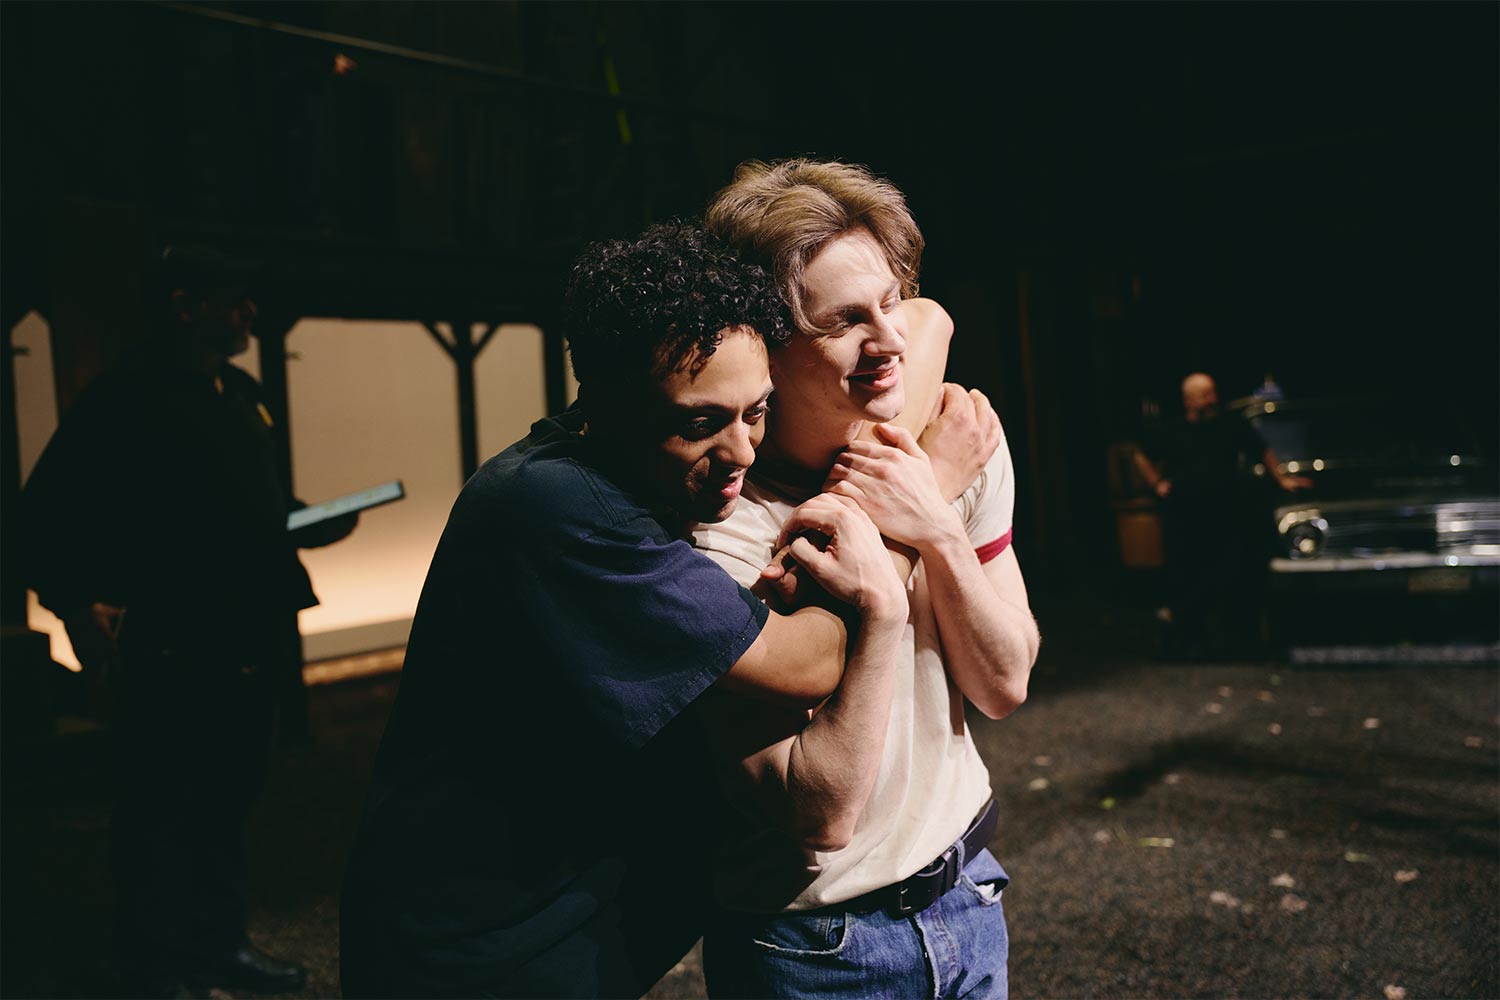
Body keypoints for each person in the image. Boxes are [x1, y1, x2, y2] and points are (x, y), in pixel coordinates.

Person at [337, 221, 990, 998]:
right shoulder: (565, 511)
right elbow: (808, 659)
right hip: (483, 951)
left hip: (562, 925)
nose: (743, 451)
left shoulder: (613, 468)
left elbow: (930, 318)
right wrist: (921, 502)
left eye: (757, 411)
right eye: (700, 422)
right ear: (605, 400)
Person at [690, 158, 1041, 998]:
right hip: (812, 945)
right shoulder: (719, 532)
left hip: (966, 892)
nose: (888, 342)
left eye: (890, 304)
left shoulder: (953, 444)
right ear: (765, 348)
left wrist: (937, 525)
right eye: (844, 321)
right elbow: (817, 814)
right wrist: (920, 498)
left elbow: (1005, 683)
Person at [20, 244, 354, 996]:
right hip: (175, 635)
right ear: (185, 306)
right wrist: (74, 603)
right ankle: (156, 964)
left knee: (229, 797)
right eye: (232, 299)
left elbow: (256, 506)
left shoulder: (238, 390)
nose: (248, 312)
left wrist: (311, 522)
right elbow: (42, 515)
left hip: (248, 629)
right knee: (161, 804)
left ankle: (218, 942)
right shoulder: (126, 397)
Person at [1133, 372, 1309, 657]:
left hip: (1224, 512)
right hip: (1185, 515)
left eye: (1212, 393)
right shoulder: (1174, 430)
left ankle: (1228, 638)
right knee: (1188, 574)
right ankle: (1184, 634)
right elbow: (1140, 455)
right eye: (1204, 395)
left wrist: (1281, 480)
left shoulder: (1229, 425)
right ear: (1188, 400)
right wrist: (1156, 483)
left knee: (1227, 571)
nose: (1212, 400)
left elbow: (1261, 450)